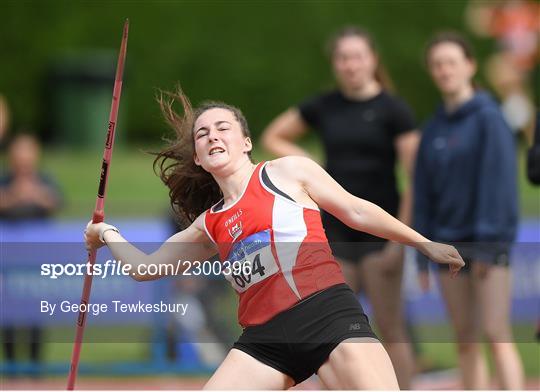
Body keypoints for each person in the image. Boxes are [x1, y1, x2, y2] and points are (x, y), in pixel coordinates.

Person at [84, 87, 464, 390]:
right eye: (203, 133)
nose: (212, 136)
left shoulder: (285, 172)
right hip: (265, 340)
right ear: (198, 157)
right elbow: (147, 268)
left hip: (327, 316)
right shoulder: (208, 224)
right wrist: (106, 233)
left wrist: (422, 242)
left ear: (246, 142)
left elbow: (357, 210)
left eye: (222, 128)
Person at [261, 26, 420, 388]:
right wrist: (310, 163)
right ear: (335, 63)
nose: (351, 65)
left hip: (380, 232)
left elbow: (415, 178)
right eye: (343, 58)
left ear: (373, 60)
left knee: (391, 327)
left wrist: (401, 240)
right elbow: (274, 135)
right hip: (334, 231)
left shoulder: (394, 109)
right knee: (333, 330)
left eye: (358, 57)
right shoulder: (324, 105)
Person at [415, 32, 524, 389]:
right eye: (437, 64)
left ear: (470, 66)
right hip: (448, 248)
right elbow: (424, 195)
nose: (444, 70)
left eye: (451, 62)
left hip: (486, 247)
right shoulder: (432, 130)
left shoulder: (490, 119)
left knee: (495, 332)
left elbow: (499, 186)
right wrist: (422, 253)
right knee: (465, 336)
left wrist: (487, 247)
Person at [0, 133, 63, 373]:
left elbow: (56, 200)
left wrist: (35, 193)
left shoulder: (43, 180)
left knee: (36, 313)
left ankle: (36, 371)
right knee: (8, 316)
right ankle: (12, 369)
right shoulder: (6, 181)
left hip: (36, 259)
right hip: (8, 259)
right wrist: (15, 195)